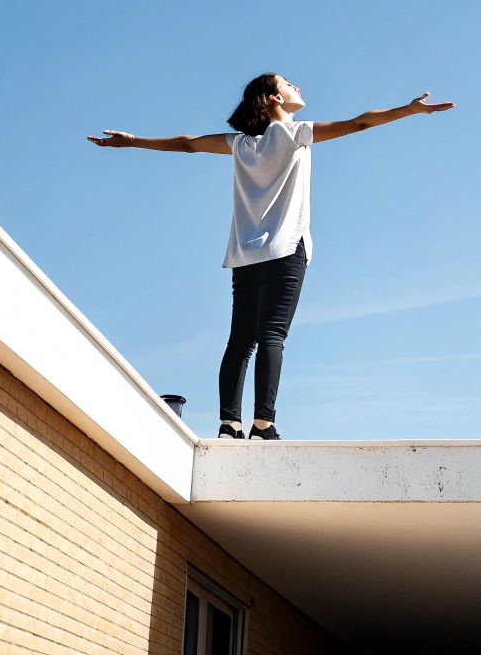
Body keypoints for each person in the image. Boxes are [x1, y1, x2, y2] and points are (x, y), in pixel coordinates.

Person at [87, 73, 454, 440]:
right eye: (288, 83)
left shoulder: (241, 145)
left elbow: (188, 144)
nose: (297, 85)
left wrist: (133, 142)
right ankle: (264, 424)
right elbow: (358, 122)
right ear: (274, 99)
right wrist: (407, 110)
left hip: (245, 256)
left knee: (239, 341)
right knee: (272, 336)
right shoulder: (293, 134)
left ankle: (229, 424)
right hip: (285, 250)